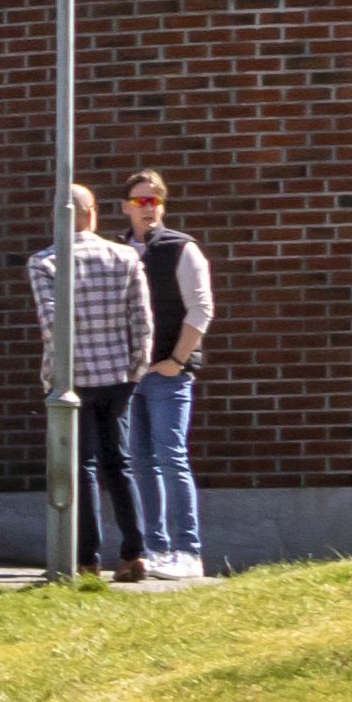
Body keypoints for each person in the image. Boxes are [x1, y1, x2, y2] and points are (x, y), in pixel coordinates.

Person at [24, 184, 158, 582]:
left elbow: (51, 327)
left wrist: (51, 376)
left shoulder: (45, 262)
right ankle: (134, 554)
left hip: (74, 378)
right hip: (118, 375)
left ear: (58, 217)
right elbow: (143, 321)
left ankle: (87, 560)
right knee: (120, 466)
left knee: (81, 467)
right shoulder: (124, 256)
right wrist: (136, 370)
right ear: (93, 213)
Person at [122, 170, 216, 580]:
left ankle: (188, 552)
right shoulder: (120, 251)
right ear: (125, 207)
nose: (149, 208)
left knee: (170, 457)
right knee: (140, 461)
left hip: (168, 374)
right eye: (141, 201)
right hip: (131, 375)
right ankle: (155, 548)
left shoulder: (182, 249)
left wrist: (177, 361)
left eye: (156, 200)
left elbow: (201, 310)